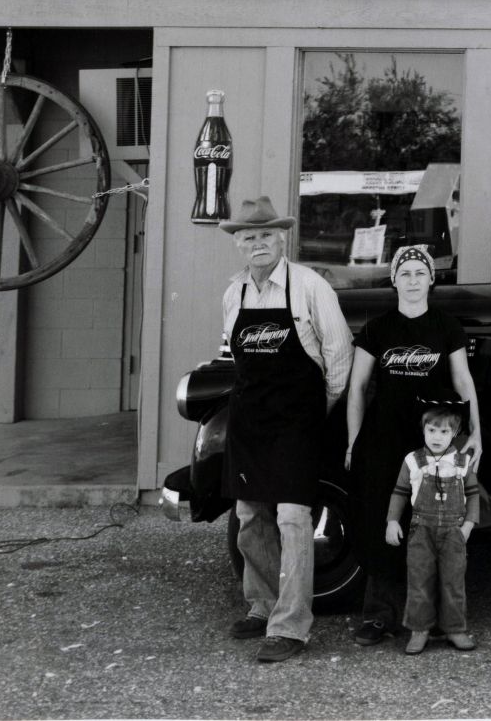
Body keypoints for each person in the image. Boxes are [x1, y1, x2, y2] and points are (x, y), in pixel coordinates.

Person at [218, 196, 353, 664]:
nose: (258, 244)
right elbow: (235, 354)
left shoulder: (310, 285)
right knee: (251, 516)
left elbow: (339, 353)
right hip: (251, 416)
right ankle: (262, 606)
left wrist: (320, 407)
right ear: (239, 244)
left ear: (282, 239)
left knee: (294, 519)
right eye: (249, 237)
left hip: (298, 418)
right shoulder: (234, 292)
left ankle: (291, 628)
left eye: (266, 236)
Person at [344, 243, 483, 647]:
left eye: (420, 272)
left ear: (432, 279)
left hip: (436, 440)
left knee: (436, 526)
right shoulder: (377, 328)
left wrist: (475, 433)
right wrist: (354, 440)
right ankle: (379, 615)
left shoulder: (446, 326)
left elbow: (464, 382)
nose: (412, 280)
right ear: (393, 280)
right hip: (385, 438)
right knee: (382, 522)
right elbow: (357, 388)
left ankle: (436, 619)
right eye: (404, 273)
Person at [384, 403, 480, 654]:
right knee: (419, 580)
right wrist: (392, 521)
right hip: (421, 531)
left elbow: (473, 494)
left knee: (453, 581)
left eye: (444, 432)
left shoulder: (462, 462)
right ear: (423, 430)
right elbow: (400, 492)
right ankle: (419, 630)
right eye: (432, 430)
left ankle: (455, 629)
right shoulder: (413, 460)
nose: (437, 437)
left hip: (454, 532)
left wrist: (468, 526)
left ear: (455, 433)